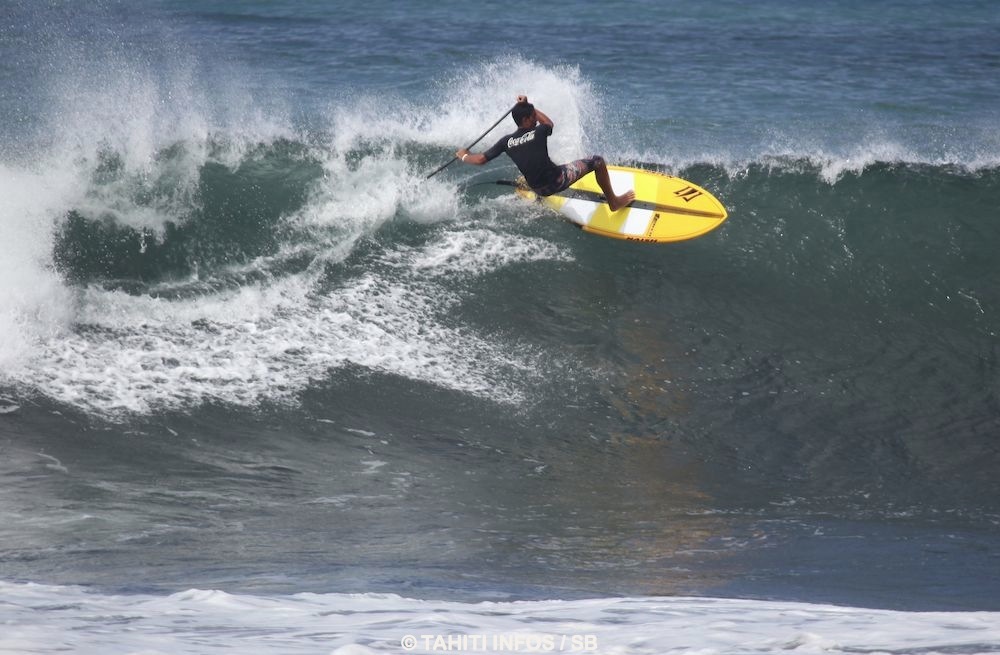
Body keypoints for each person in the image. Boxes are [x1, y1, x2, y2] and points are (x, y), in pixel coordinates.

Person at [456, 95, 635, 211]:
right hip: (556, 183)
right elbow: (549, 123)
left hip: (538, 188)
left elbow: (480, 159)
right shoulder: (539, 132)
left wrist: (463, 155)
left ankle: (533, 188)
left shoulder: (506, 142)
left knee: (531, 159)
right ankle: (614, 202)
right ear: (525, 119)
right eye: (532, 116)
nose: (535, 119)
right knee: (597, 161)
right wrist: (527, 104)